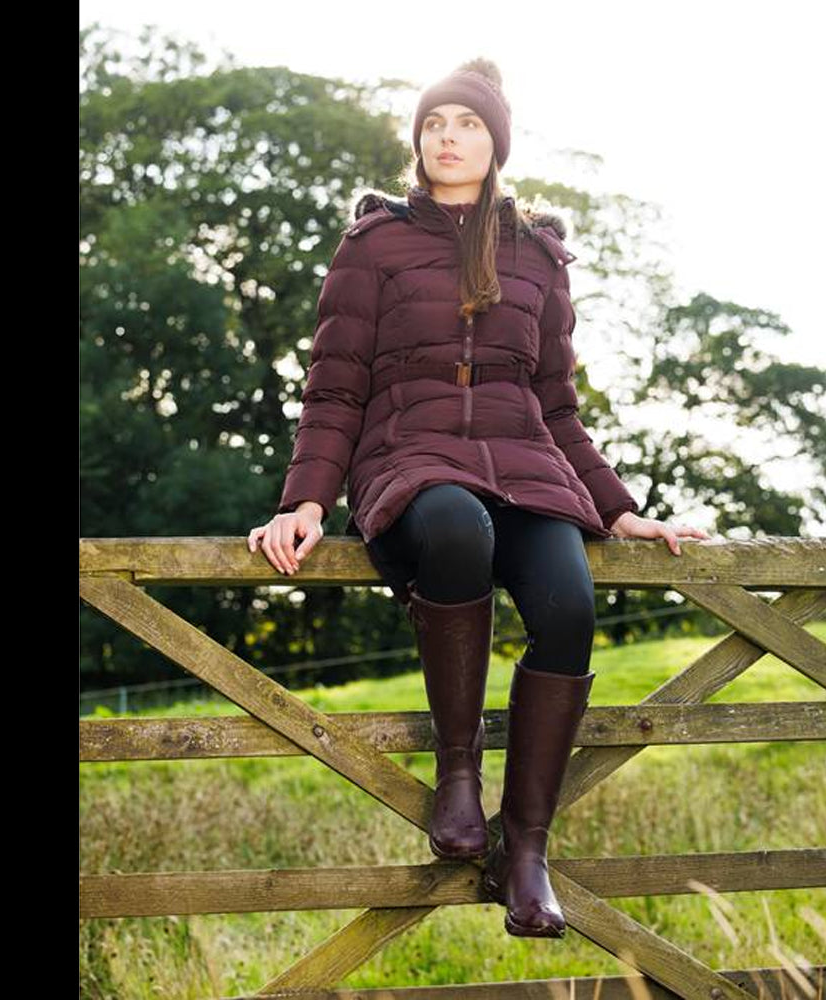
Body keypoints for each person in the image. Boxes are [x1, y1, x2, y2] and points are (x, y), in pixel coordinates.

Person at [248, 58, 709, 938]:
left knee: (571, 603)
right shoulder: (373, 244)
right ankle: (457, 773)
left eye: (465, 123)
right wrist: (305, 500)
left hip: (526, 463)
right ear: (418, 141)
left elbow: (559, 405)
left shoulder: (538, 254)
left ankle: (525, 851)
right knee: (457, 527)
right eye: (433, 124)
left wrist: (618, 508)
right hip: (409, 457)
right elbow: (335, 386)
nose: (447, 138)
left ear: (495, 141)